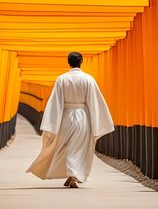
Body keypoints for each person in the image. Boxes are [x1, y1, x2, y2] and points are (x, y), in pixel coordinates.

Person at [27, 52, 114, 188]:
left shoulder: (62, 79)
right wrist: (96, 123)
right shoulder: (88, 79)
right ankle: (73, 174)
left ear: (69, 63)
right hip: (83, 117)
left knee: (66, 147)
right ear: (81, 62)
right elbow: (94, 101)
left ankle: (71, 174)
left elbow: (56, 102)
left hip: (66, 117)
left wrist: (52, 124)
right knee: (79, 147)